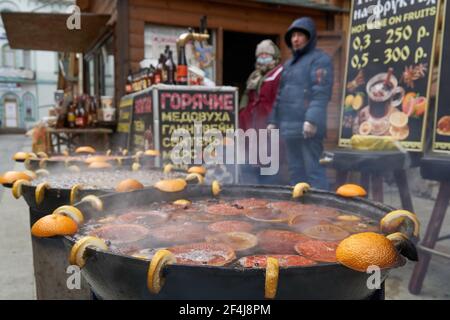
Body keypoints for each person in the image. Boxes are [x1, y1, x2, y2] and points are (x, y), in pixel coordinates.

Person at [267, 17, 334, 190]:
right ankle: (298, 211)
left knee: (314, 172)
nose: (295, 39)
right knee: (295, 172)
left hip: (308, 130)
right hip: (289, 127)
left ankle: (322, 211)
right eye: (293, 36)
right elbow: (280, 94)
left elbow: (321, 92)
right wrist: (273, 120)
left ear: (310, 37)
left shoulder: (320, 60)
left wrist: (311, 120)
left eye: (300, 35)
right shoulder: (289, 64)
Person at [239, 39, 283, 184]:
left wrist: (274, 121)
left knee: (269, 168)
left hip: (269, 126)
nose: (263, 58)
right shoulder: (254, 76)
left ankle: (270, 197)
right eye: (260, 55)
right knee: (251, 167)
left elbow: (280, 100)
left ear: (275, 56)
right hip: (251, 128)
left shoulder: (279, 74)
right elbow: (247, 100)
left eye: (267, 54)